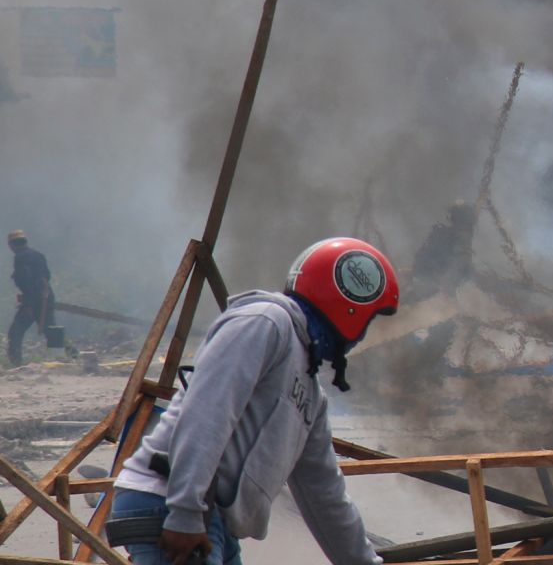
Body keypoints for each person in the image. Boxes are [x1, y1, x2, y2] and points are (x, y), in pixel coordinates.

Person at [109, 238, 399, 565]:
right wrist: (185, 512)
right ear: (350, 307)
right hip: (170, 503)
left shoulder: (309, 390)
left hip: (209, 518)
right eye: (369, 319)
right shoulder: (265, 322)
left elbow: (324, 494)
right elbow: (207, 413)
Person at [7, 230, 56, 367]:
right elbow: (46, 276)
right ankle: (72, 356)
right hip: (46, 297)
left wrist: (28, 304)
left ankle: (16, 364)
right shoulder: (38, 255)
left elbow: (27, 282)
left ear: (11, 245)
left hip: (33, 300)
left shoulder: (21, 258)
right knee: (52, 330)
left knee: (15, 332)